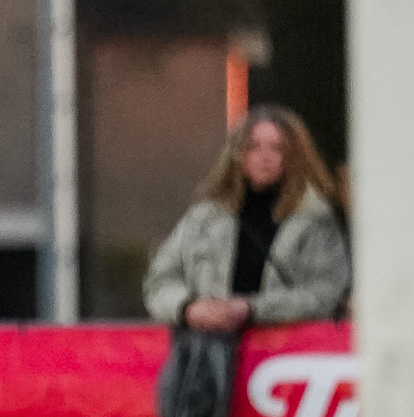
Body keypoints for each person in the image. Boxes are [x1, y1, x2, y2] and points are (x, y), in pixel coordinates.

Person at [143, 105, 350, 332]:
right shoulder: (204, 218)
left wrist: (252, 309)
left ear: (294, 156)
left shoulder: (315, 219)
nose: (265, 157)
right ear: (237, 154)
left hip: (285, 353)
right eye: (253, 147)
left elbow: (327, 292)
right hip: (209, 349)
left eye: (277, 148)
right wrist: (188, 309)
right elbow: (159, 282)